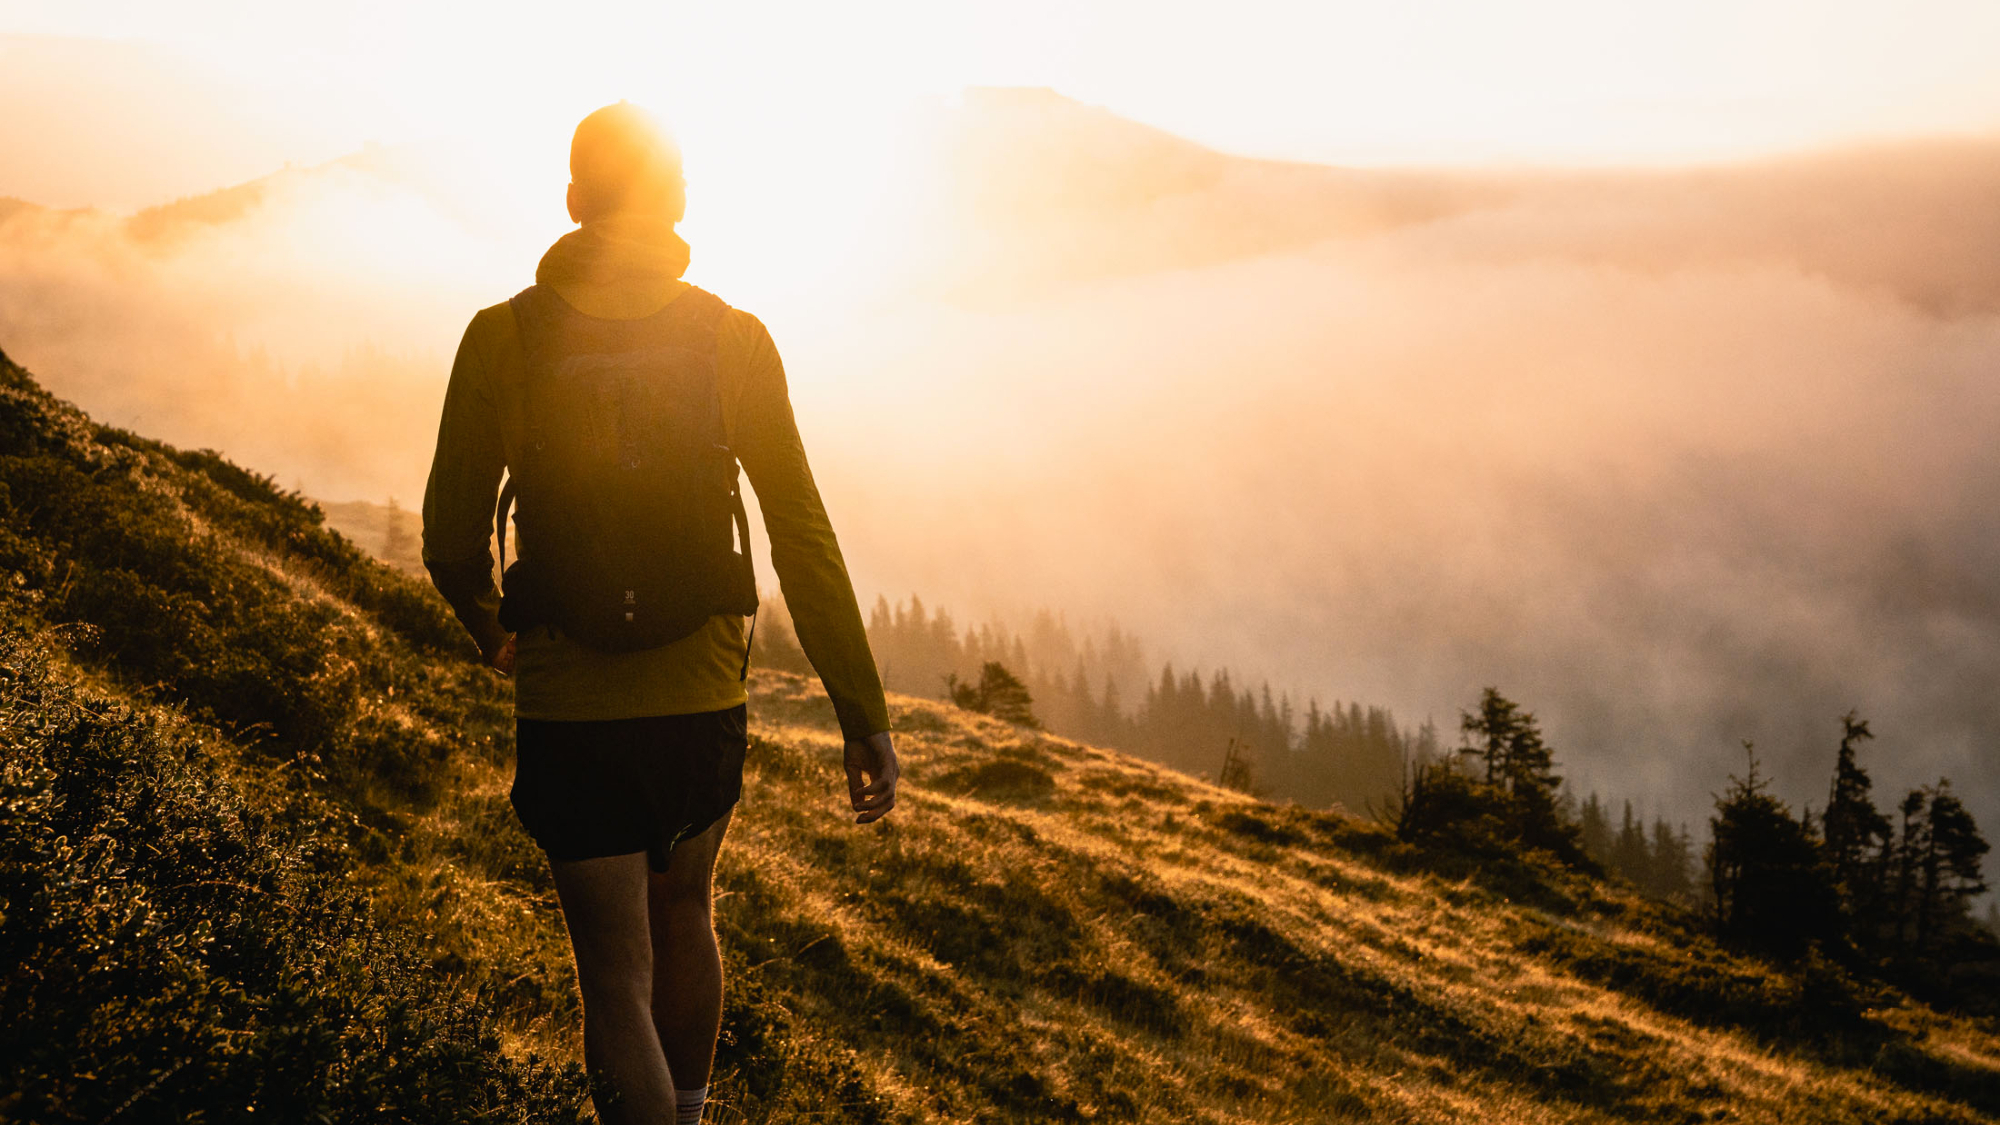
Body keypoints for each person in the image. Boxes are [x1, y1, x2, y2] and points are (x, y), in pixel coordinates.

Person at [421, 102, 899, 1125]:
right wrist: (860, 713)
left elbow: (447, 537)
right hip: (697, 693)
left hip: (570, 702)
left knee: (613, 976)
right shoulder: (733, 339)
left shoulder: (501, 337)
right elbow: (800, 537)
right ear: (678, 204)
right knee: (685, 913)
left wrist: (483, 626)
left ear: (571, 203)